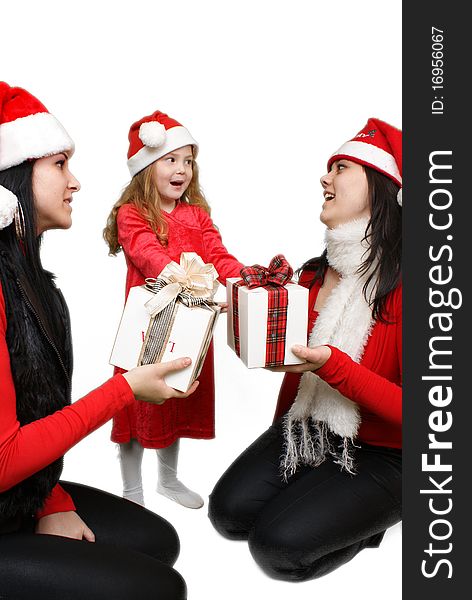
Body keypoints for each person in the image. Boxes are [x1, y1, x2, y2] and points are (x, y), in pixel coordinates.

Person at [0, 82, 195, 599]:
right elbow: (2, 458)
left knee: (157, 542)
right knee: (159, 588)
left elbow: (29, 418)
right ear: (13, 176)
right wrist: (126, 390)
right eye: (60, 165)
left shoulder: (35, 284)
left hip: (19, 497)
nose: (76, 182)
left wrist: (51, 500)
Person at [208, 118, 402, 581]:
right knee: (228, 515)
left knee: (276, 549)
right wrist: (248, 325)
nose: (324, 178)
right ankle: (325, 496)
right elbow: (288, 357)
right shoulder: (314, 275)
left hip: (387, 451)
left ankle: (378, 515)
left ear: (380, 186)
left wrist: (334, 367)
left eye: (340, 167)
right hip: (307, 427)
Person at [103, 110, 243, 509]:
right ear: (148, 167)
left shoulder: (198, 215)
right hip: (147, 327)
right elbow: (147, 252)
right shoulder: (133, 214)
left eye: (188, 161)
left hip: (190, 325)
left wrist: (243, 277)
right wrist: (179, 274)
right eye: (172, 159)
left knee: (175, 397)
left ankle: (168, 479)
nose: (182, 169)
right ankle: (132, 491)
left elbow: (219, 255)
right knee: (134, 407)